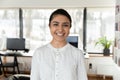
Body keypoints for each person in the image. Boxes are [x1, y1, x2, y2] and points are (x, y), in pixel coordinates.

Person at [30, 8, 88, 80]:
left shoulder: (78, 54)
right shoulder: (39, 53)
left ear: (70, 27)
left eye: (65, 25)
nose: (60, 29)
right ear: (49, 26)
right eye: (55, 24)